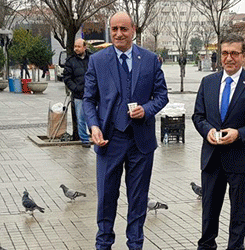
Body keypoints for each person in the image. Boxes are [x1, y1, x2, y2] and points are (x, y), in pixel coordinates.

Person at [83, 12, 169, 250]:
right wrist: (94, 126)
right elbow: (88, 99)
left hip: (141, 143)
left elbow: (162, 95)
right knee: (106, 198)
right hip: (109, 140)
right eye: (114, 29)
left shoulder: (150, 60)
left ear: (133, 30)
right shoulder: (98, 61)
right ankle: (103, 244)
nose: (119, 34)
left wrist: (146, 109)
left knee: (138, 199)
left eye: (123, 29)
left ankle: (135, 244)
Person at [191, 34, 245, 250]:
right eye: (225, 53)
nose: (229, 58)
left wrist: (239, 133)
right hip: (212, 158)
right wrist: (207, 131)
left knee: (238, 212)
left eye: (234, 53)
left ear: (243, 55)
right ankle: (206, 246)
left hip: (241, 158)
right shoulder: (208, 82)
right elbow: (198, 116)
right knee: (209, 210)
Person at [61, 38, 92, 147]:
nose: (76, 49)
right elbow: (67, 78)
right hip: (79, 95)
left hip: (93, 94)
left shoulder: (92, 58)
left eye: (79, 46)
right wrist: (75, 88)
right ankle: (85, 140)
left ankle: (96, 136)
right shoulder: (71, 61)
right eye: (75, 46)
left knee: (94, 117)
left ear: (85, 47)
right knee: (81, 118)